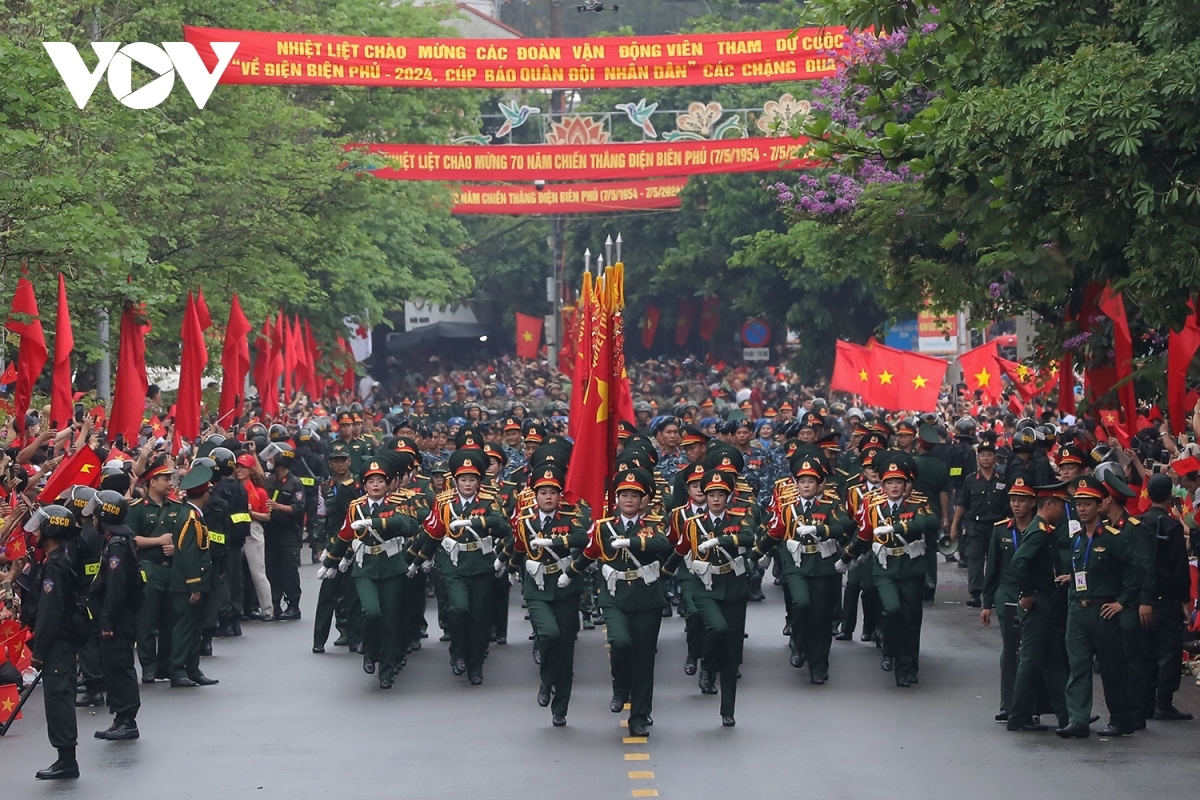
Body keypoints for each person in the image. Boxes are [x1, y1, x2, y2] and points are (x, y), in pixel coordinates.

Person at [565, 469, 668, 738]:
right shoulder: (604, 526)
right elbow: (590, 552)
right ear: (617, 498)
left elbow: (663, 543)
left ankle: (640, 716)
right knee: (620, 643)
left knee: (644, 658)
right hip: (615, 595)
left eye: (634, 495)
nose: (629, 500)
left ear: (643, 499)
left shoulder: (654, 522)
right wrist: (570, 572)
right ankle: (620, 686)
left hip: (647, 596)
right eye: (624, 495)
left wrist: (632, 541)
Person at [319, 455, 420, 689]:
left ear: (387, 484)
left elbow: (411, 526)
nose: (375, 485)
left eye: (380, 481)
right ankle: (370, 651)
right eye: (371, 481)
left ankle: (386, 670)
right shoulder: (357, 507)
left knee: (391, 619)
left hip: (392, 567)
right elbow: (345, 535)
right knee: (371, 612)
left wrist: (380, 524)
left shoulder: (398, 503)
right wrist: (330, 562)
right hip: (365, 568)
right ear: (364, 485)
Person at [838, 453, 937, 688]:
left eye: (899, 482)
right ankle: (889, 648)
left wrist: (902, 526)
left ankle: (907, 668)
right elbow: (863, 534)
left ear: (906, 485)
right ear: (882, 485)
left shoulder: (917, 504)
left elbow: (931, 523)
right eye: (890, 482)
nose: (894, 486)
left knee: (911, 619)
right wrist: (846, 558)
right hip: (884, 569)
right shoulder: (874, 506)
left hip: (911, 569)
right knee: (892, 610)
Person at [414, 448, 509, 685]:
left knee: (479, 617)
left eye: (472, 479)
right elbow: (433, 531)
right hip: (454, 566)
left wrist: (477, 521)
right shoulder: (444, 502)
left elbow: (502, 526)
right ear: (455, 481)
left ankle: (475, 664)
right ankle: (457, 652)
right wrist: (418, 558)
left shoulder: (488, 500)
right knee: (458, 610)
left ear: (479, 480)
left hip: (480, 564)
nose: (468, 484)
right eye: (463, 479)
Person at [1055, 474, 1140, 738]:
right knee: (1078, 666)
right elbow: (1082, 567)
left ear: (1099, 505)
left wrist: (1122, 602)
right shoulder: (1077, 538)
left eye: (1088, 504)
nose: (1082, 509)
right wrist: (1073, 579)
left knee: (1112, 667)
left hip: (1103, 610)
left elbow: (1136, 569)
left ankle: (1121, 719)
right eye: (1078, 504)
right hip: (1078, 609)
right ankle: (1078, 720)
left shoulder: (1112, 537)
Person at [666, 470, 753, 726]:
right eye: (711, 494)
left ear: (728, 496)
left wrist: (720, 540)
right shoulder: (693, 523)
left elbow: (749, 537)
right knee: (718, 627)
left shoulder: (740, 517)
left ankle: (728, 710)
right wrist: (662, 573)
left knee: (731, 649)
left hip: (733, 587)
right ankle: (706, 660)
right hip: (704, 586)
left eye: (720, 495)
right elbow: (681, 549)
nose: (715, 499)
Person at [506, 464, 587, 726]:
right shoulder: (525, 520)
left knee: (565, 647)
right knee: (548, 634)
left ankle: (560, 706)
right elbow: (518, 545)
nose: (548, 497)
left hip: (565, 587)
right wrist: (509, 567)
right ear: (535, 495)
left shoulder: (571, 516)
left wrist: (554, 543)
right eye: (543, 492)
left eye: (553, 492)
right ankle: (545, 679)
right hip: (538, 588)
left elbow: (581, 539)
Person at [757, 455, 848, 684]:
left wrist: (821, 529)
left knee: (821, 617)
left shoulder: (831, 504)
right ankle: (798, 645)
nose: (806, 485)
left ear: (819, 484)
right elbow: (774, 531)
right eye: (802, 481)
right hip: (795, 565)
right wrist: (758, 554)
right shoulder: (787, 507)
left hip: (823, 566)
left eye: (811, 481)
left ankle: (819, 666)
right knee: (801, 603)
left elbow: (843, 526)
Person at [29, 504, 84, 780]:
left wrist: (38, 650)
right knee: (59, 695)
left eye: (40, 527)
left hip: (57, 644)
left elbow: (49, 613)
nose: (36, 532)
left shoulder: (55, 566)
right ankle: (65, 757)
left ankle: (66, 760)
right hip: (63, 641)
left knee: (58, 697)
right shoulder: (59, 559)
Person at [1138, 473, 1193, 721]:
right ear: (1171, 496)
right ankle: (1164, 702)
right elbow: (1180, 568)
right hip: (1167, 597)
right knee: (1169, 650)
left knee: (1146, 649)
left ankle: (1145, 700)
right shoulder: (1171, 527)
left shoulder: (1138, 524)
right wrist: (1184, 600)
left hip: (1143, 598)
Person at [90, 490, 143, 740]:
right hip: (120, 616)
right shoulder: (118, 539)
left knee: (120, 666)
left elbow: (116, 587)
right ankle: (120, 716)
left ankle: (127, 720)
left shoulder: (116, 546)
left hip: (118, 618)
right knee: (113, 666)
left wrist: (107, 620)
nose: (92, 520)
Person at [128, 454, 183, 683]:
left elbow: (184, 538)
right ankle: (148, 666)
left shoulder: (177, 508)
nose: (170, 482)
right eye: (165, 478)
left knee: (170, 621)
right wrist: (158, 541)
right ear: (152, 481)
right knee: (147, 621)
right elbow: (131, 539)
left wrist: (175, 549)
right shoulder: (139, 509)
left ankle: (166, 665)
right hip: (148, 569)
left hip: (170, 569)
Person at [168, 464, 219, 688]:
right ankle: (178, 669)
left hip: (197, 580)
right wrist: (194, 585)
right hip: (188, 583)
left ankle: (192, 668)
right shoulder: (190, 518)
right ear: (205, 493)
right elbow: (187, 553)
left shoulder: (193, 514)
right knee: (185, 628)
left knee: (195, 627)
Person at [312, 440, 362, 653]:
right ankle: (318, 640)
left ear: (349, 461)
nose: (340, 464)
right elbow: (321, 517)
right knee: (327, 593)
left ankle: (353, 637)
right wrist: (319, 545)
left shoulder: (360, 484)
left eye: (343, 460)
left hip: (356, 542)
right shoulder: (325, 487)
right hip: (334, 542)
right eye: (336, 461)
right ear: (330, 463)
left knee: (353, 592)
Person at [952, 432, 1009, 607]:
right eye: (982, 455)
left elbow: (1008, 504)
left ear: (995, 458)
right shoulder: (970, 480)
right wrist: (954, 525)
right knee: (975, 559)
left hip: (997, 525)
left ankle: (992, 595)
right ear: (978, 458)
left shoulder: (1002, 480)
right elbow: (962, 504)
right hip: (976, 526)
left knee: (995, 561)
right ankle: (975, 594)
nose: (986, 458)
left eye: (989, 455)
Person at [263, 446, 305, 620]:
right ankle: (275, 603)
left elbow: (298, 508)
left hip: (289, 533)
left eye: (272, 460)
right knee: (272, 569)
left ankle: (294, 605)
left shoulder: (295, 483)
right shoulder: (270, 481)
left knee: (289, 570)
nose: (270, 463)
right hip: (271, 532)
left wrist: (278, 507)